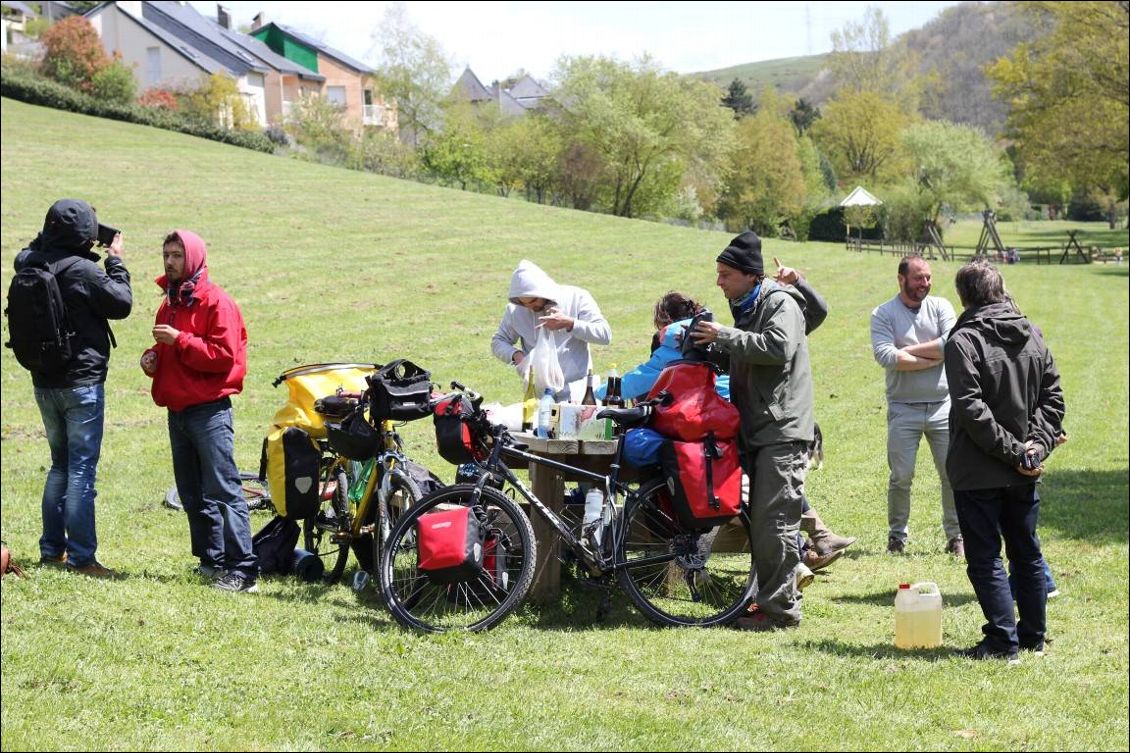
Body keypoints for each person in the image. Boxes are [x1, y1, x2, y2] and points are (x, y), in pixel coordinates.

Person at [612, 287, 854, 578]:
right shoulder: (712, 334)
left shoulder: (675, 338)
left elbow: (640, 380)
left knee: (731, 492)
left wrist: (599, 392)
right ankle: (809, 546)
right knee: (759, 490)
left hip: (716, 427)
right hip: (738, 419)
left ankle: (796, 558)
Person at [691, 230, 815, 631]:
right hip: (760, 428)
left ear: (750, 275)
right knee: (764, 523)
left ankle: (780, 613)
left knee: (774, 522)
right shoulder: (750, 306)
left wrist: (724, 336)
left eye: (726, 274)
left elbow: (778, 347)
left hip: (782, 430)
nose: (719, 281)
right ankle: (768, 601)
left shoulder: (780, 303)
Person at [944, 260, 1064, 662]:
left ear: (965, 296)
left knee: (986, 557)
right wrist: (1033, 450)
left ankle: (1003, 642)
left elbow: (971, 410)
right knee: (1026, 553)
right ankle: (1032, 637)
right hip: (1022, 468)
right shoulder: (1032, 332)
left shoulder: (963, 340)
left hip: (980, 470)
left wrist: (1023, 452)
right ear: (1000, 289)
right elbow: (1054, 400)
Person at [13, 199, 133, 577]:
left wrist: (50, 237)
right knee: (81, 470)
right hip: (81, 385)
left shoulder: (29, 262)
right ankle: (83, 558)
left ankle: (52, 550)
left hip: (43, 380)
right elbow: (122, 303)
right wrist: (114, 259)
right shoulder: (84, 271)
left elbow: (31, 248)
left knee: (59, 465)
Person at [140, 230, 257, 593]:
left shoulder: (216, 302)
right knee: (192, 492)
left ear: (193, 258)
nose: (170, 262)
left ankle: (243, 571)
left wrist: (181, 340)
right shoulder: (171, 302)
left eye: (177, 255)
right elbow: (170, 349)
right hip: (178, 410)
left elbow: (225, 358)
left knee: (224, 489)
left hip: (209, 411)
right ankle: (212, 560)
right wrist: (153, 358)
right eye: (166, 255)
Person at [870, 255, 963, 557]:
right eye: (918, 277)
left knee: (952, 474)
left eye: (928, 277)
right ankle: (897, 537)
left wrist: (906, 352)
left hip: (942, 407)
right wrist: (934, 356)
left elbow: (952, 344)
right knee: (901, 476)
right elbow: (887, 357)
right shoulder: (883, 314)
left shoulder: (941, 307)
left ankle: (956, 537)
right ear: (901, 279)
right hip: (903, 408)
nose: (925, 283)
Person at [491, 259, 611, 401]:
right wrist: (516, 356)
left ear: (543, 291)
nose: (530, 307)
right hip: (539, 395)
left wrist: (569, 323)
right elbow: (498, 341)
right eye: (524, 303)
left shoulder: (577, 297)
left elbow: (604, 334)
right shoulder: (515, 311)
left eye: (533, 301)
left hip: (577, 391)